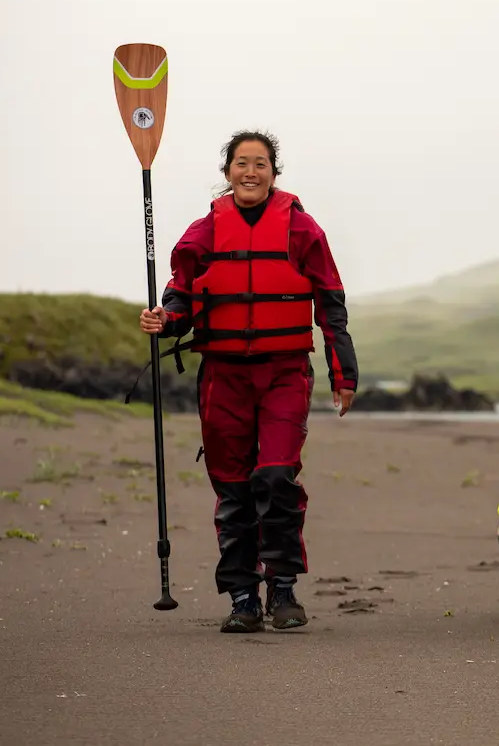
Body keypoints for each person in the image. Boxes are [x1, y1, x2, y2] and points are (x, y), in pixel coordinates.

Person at [138, 130, 358, 634]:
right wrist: (165, 319)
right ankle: (242, 596)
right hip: (223, 376)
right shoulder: (204, 232)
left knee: (276, 477)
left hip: (284, 372)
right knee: (234, 488)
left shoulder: (303, 231)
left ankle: (282, 589)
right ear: (228, 172)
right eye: (242, 163)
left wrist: (344, 372)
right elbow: (181, 296)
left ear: (274, 173)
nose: (251, 171)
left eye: (260, 163)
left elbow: (330, 305)